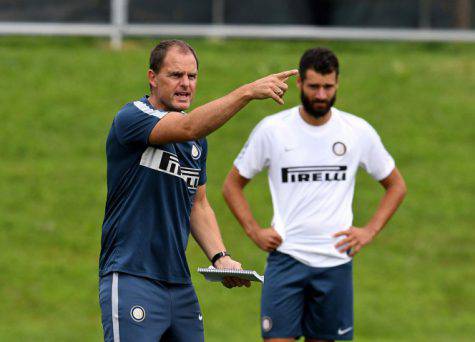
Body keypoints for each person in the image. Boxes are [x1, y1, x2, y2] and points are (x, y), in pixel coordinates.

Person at [98, 39, 298, 342]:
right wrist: (246, 92)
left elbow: (198, 204)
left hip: (178, 284)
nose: (186, 84)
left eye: (192, 76)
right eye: (175, 75)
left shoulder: (195, 144)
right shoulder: (132, 118)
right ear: (152, 78)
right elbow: (189, 126)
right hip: (131, 276)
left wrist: (221, 257)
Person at [222, 47, 407, 342]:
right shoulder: (273, 130)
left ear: (336, 84)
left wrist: (369, 231)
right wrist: (254, 231)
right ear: (299, 84)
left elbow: (396, 185)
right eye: (314, 87)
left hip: (334, 262)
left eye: (328, 86)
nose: (321, 95)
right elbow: (232, 185)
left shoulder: (357, 131)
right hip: (286, 258)